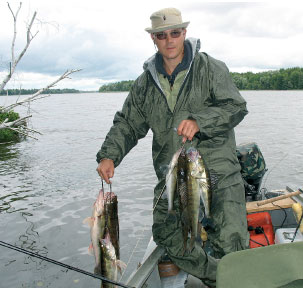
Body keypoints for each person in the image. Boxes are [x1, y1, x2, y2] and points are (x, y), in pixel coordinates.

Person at [96, 8, 249, 287]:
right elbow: (128, 123)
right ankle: (216, 275)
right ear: (153, 39)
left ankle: (233, 274)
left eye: (175, 33)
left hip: (218, 174)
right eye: (161, 35)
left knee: (231, 238)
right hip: (173, 177)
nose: (169, 40)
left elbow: (236, 107)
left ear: (184, 34)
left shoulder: (211, 68)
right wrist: (109, 156)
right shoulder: (144, 84)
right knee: (166, 233)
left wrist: (200, 121)